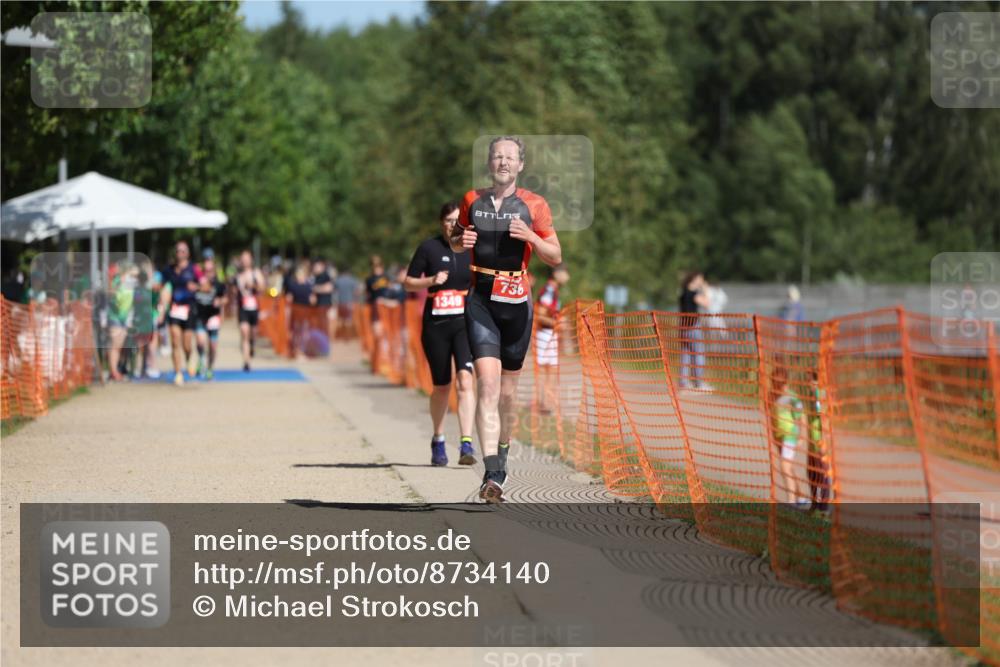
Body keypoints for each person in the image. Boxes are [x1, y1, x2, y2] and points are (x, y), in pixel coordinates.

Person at [451, 136, 562, 503]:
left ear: (520, 165)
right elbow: (455, 239)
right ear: (489, 163)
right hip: (481, 299)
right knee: (487, 385)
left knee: (508, 396)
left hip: (517, 304)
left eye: (509, 157)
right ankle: (493, 474)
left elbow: (555, 256)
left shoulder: (535, 205)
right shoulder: (471, 200)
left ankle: (503, 447)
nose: (503, 162)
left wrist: (530, 235)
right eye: (497, 156)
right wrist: (459, 241)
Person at [404, 201, 477, 467]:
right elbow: (408, 283)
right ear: (441, 223)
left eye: (457, 220)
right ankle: (438, 439)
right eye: (447, 220)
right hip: (436, 325)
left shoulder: (472, 249)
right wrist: (430, 281)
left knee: (466, 381)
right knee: (442, 386)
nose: (452, 225)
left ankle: (467, 442)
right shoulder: (429, 248)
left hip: (464, 324)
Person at [159, 241, 203, 386]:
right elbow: (162, 287)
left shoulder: (194, 269)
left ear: (188, 253)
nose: (181, 253)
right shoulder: (169, 270)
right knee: (175, 340)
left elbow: (206, 285)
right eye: (178, 251)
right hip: (174, 309)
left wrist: (196, 286)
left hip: (189, 309)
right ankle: (178, 373)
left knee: (186, 343)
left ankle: (190, 357)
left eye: (184, 251)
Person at [769, 366, 808, 507]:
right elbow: (771, 416)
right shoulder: (771, 395)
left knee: (785, 466)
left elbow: (801, 416)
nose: (777, 386)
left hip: (790, 435)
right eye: (774, 382)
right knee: (789, 467)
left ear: (786, 383)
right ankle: (802, 497)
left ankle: (791, 501)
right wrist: (773, 435)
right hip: (779, 436)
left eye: (780, 383)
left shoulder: (792, 397)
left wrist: (803, 436)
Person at [534, 263, 570, 415]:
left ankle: (546, 402)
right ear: (557, 273)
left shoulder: (554, 290)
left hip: (550, 334)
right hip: (545, 334)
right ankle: (542, 403)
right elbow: (540, 315)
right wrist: (557, 323)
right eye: (566, 272)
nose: (568, 277)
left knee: (551, 369)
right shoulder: (549, 290)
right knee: (544, 369)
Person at [194, 258, 226, 379]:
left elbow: (225, 298)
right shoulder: (197, 283)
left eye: (210, 270)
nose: (208, 273)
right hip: (201, 316)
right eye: (206, 270)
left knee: (213, 346)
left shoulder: (219, 284)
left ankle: (210, 368)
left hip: (213, 317)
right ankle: (201, 358)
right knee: (200, 342)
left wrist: (220, 301)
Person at [678, 271, 711, 391]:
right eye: (700, 279)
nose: (701, 282)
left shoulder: (683, 293)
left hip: (683, 327)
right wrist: (705, 290)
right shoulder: (693, 294)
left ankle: (683, 383)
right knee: (698, 354)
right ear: (695, 279)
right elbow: (707, 303)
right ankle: (698, 383)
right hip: (693, 327)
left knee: (685, 355)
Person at [233, 250, 265, 372]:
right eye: (243, 258)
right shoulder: (238, 275)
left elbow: (262, 288)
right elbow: (234, 291)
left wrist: (253, 286)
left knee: (252, 334)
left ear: (251, 260)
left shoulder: (256, 273)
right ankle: (246, 362)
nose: (245, 261)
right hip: (243, 308)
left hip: (254, 308)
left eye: (247, 258)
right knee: (244, 332)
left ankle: (252, 345)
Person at [806, 370, 832, 512]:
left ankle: (823, 508)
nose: (807, 383)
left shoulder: (818, 395)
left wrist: (824, 441)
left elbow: (824, 419)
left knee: (822, 475)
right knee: (811, 474)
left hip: (820, 444)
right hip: (813, 444)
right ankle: (815, 504)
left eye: (810, 380)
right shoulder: (812, 395)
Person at [365, 255, 392, 371]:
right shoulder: (369, 279)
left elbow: (391, 290)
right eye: (374, 266)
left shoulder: (386, 278)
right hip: (375, 308)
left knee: (387, 335)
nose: (377, 268)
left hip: (387, 308)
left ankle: (386, 362)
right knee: (377, 335)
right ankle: (376, 362)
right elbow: (367, 294)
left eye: (379, 265)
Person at [334, 267, 359, 339]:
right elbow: (356, 292)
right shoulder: (353, 280)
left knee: (340, 319)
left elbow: (334, 291)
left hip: (340, 302)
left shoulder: (338, 280)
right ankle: (348, 335)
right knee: (349, 319)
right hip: (349, 302)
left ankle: (341, 334)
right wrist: (356, 301)